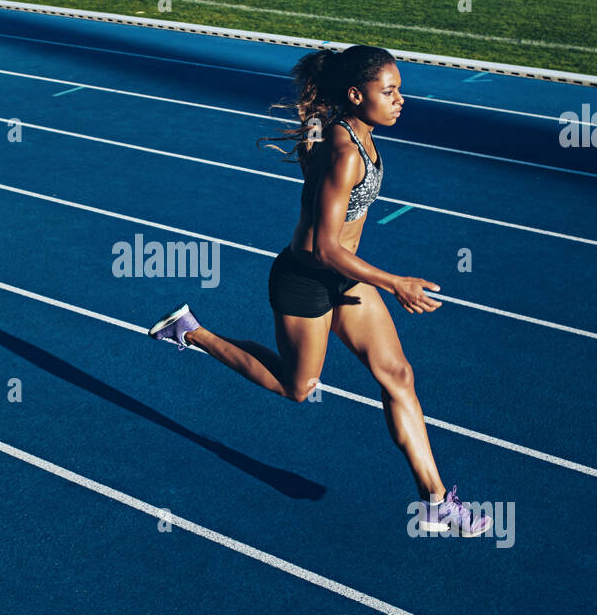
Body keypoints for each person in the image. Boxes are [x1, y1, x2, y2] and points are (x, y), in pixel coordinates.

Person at [148, 44, 491, 536]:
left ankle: (435, 501)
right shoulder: (347, 151)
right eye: (388, 91)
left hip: (344, 278)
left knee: (398, 375)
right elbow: (324, 247)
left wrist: (311, 137)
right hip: (306, 280)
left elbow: (321, 191)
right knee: (297, 388)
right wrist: (395, 283)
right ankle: (191, 331)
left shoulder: (352, 132)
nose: (400, 100)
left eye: (399, 90)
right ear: (356, 94)